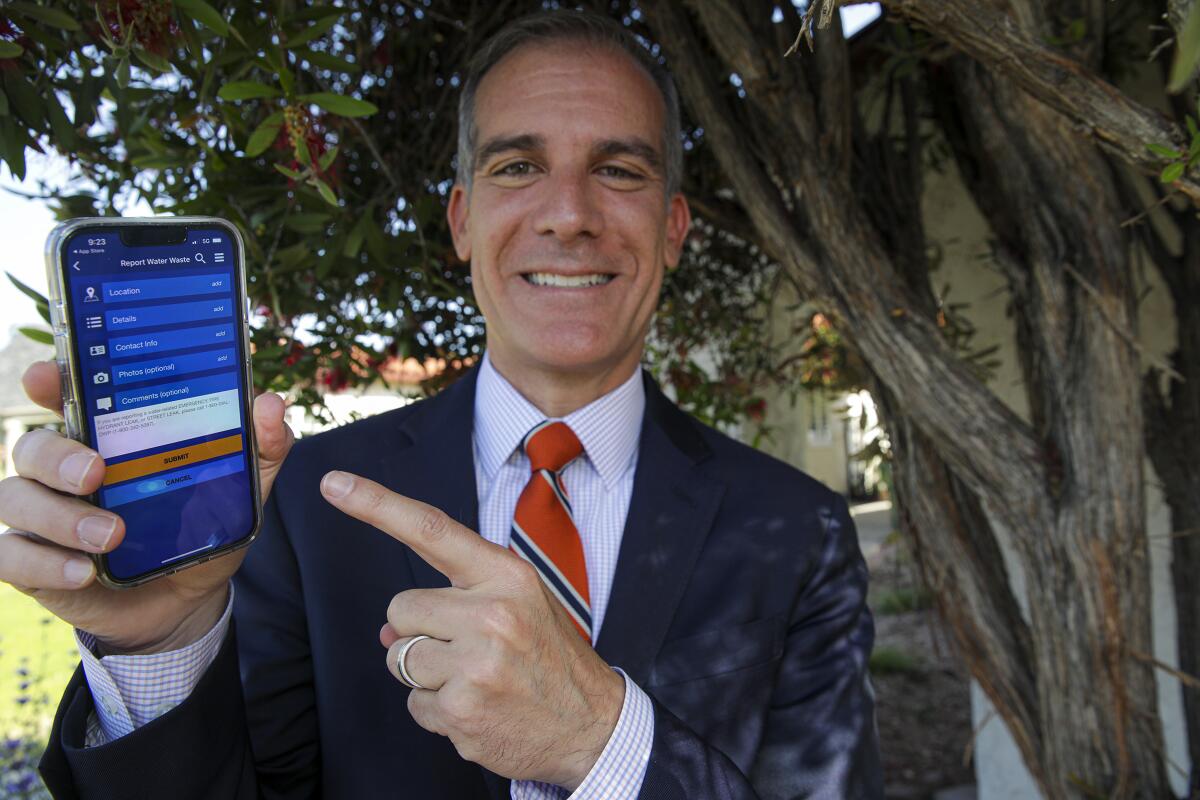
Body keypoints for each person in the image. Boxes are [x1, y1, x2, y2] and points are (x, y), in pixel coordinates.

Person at [1, 9, 881, 799]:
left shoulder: (800, 528)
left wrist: (599, 743)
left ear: (674, 229)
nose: (568, 215)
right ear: (462, 220)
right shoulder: (311, 499)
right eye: (519, 164)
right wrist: (161, 653)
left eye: (618, 169)